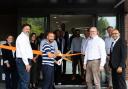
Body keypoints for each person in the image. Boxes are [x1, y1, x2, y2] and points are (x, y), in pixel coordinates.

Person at [16, 24, 33, 89]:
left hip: (24, 60)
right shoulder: (22, 37)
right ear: (22, 29)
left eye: (29, 29)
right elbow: (23, 51)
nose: (28, 30)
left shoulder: (25, 37)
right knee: (25, 80)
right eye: (26, 29)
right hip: (23, 61)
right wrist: (27, 63)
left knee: (22, 80)